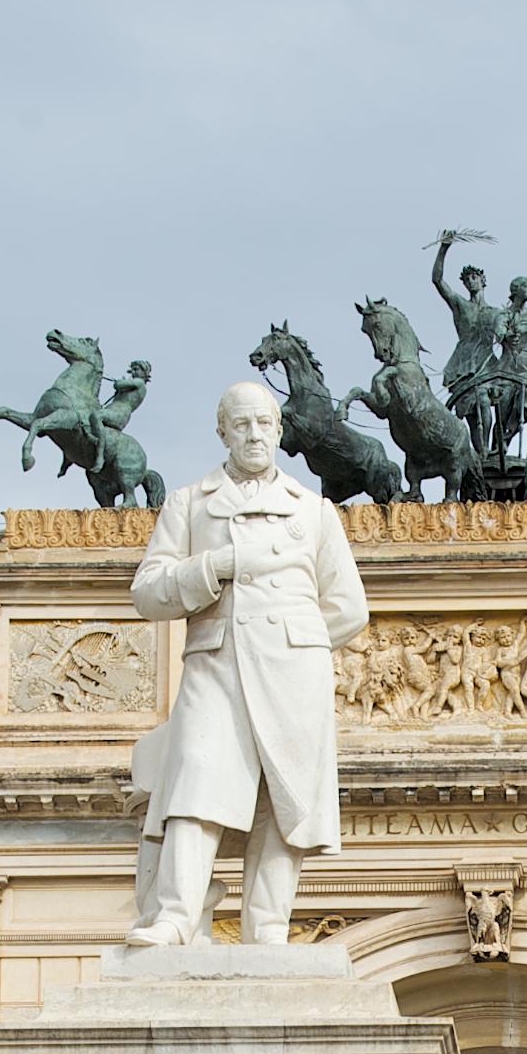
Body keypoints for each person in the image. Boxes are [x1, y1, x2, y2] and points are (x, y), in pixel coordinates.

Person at [123, 381, 368, 945]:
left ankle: (268, 929)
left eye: (264, 423)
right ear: (223, 432)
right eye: (242, 424)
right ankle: (176, 918)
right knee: (195, 782)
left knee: (285, 803)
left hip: (293, 672)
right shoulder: (190, 503)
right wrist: (216, 565)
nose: (254, 434)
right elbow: (148, 592)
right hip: (216, 664)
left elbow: (349, 607)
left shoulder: (314, 511)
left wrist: (294, 643)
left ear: (279, 431)